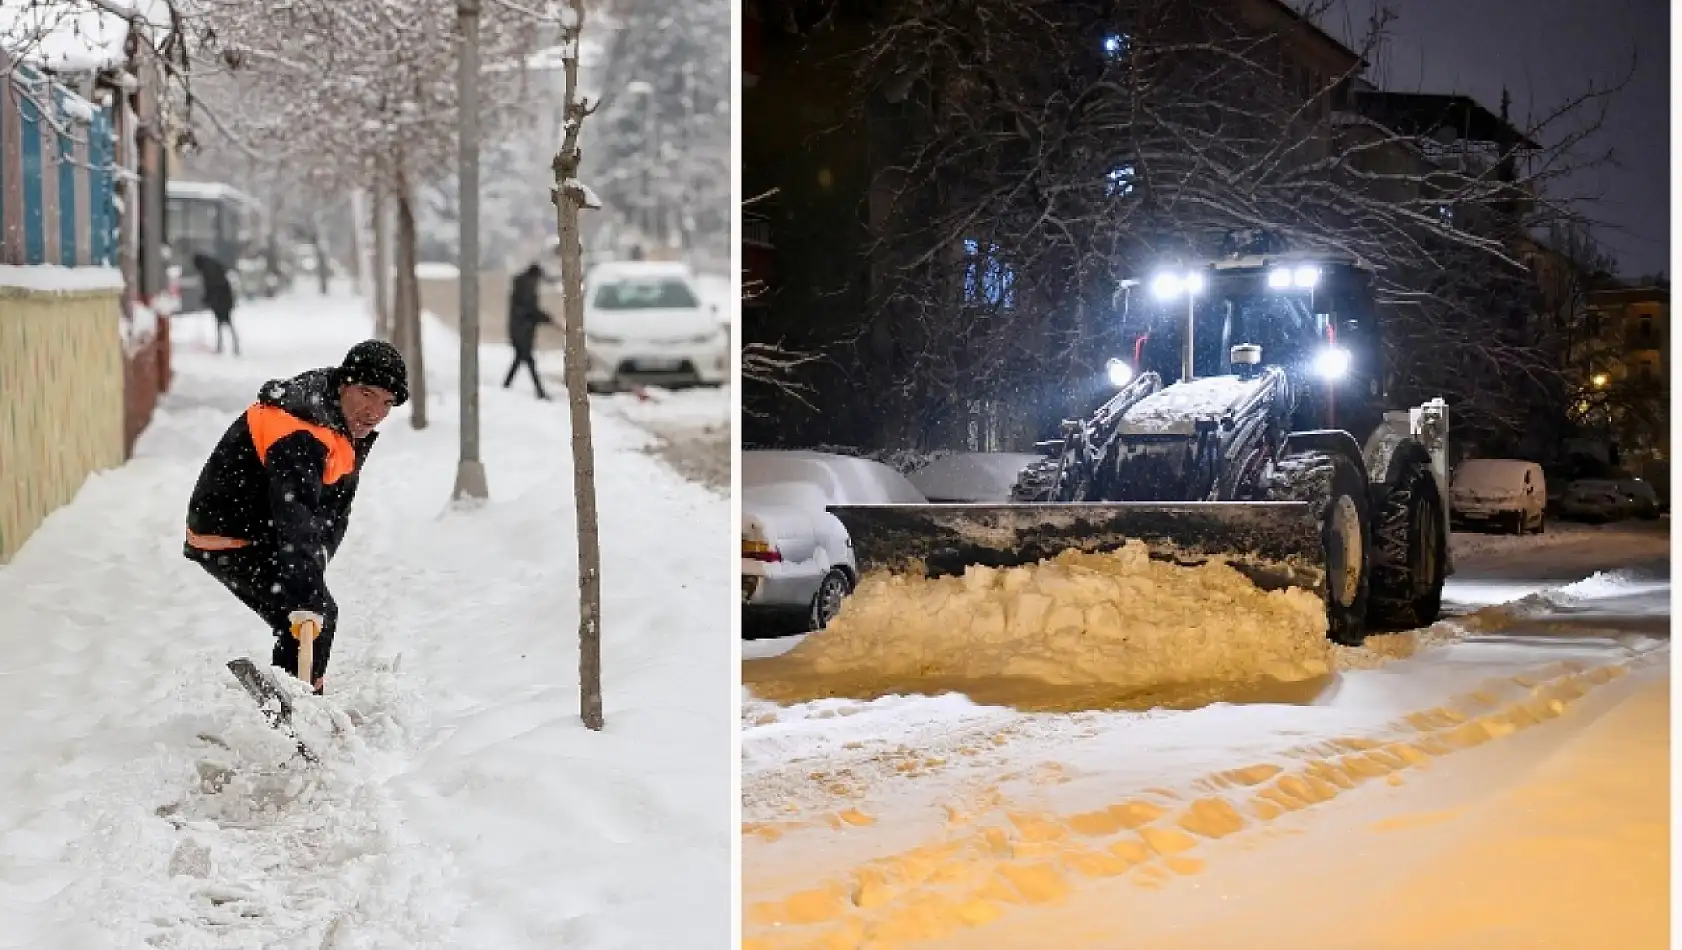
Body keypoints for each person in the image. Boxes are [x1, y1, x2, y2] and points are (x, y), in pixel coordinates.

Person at [182, 340, 408, 694]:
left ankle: (292, 697)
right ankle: (297, 703)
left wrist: (313, 565)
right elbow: (295, 515)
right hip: (231, 534)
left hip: (260, 531)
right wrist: (305, 589)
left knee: (312, 615)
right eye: (367, 394)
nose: (375, 411)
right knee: (312, 615)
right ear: (344, 384)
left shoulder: (336, 425)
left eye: (387, 402)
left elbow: (331, 515)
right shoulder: (302, 428)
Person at [503, 262, 554, 399]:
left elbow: (529, 310)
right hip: (522, 330)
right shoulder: (526, 289)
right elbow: (529, 311)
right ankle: (540, 391)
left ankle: (506, 385)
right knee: (528, 360)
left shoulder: (522, 287)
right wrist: (546, 318)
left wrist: (544, 318)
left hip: (520, 329)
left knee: (520, 359)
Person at [192, 252, 239, 356]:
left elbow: (211, 286)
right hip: (225, 298)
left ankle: (224, 345)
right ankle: (231, 345)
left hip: (219, 300)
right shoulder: (212, 265)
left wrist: (207, 298)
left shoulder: (207, 269)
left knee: (223, 323)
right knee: (226, 323)